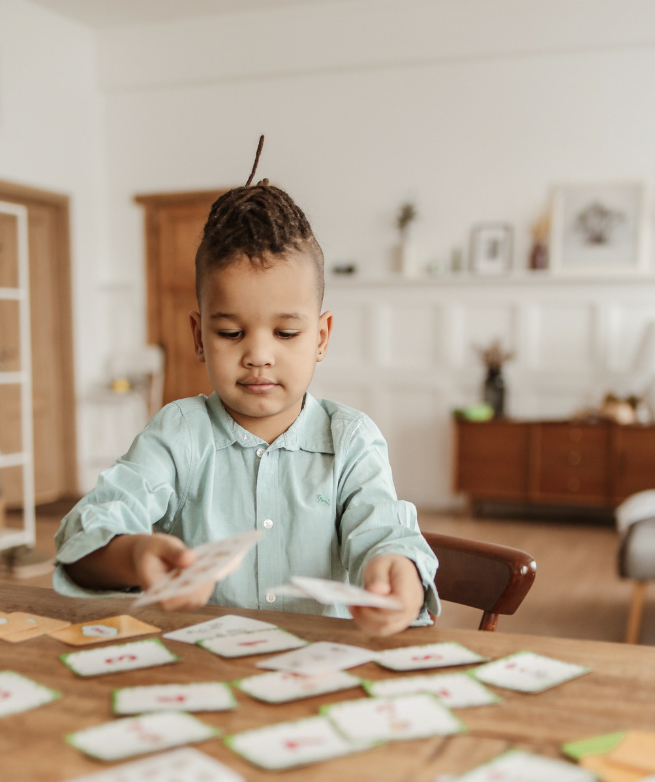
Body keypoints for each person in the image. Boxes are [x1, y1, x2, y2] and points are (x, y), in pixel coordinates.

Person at [54, 139, 439, 636]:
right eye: (231, 333)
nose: (258, 354)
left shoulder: (352, 440)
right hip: (201, 672)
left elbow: (387, 531)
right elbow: (85, 535)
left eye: (286, 333)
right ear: (198, 337)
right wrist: (135, 553)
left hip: (318, 674)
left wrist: (397, 568)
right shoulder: (177, 434)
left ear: (320, 337)